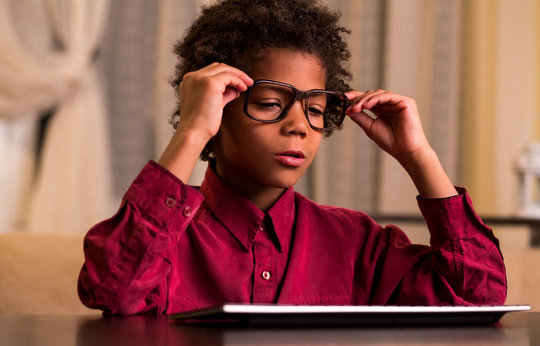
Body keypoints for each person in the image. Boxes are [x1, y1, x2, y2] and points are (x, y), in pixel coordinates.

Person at [78, 0, 506, 315]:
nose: (299, 125)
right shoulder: (169, 240)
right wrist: (190, 130)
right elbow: (113, 288)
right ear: (217, 107)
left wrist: (418, 156)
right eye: (269, 103)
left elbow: (478, 297)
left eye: (316, 110)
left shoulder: (356, 242)